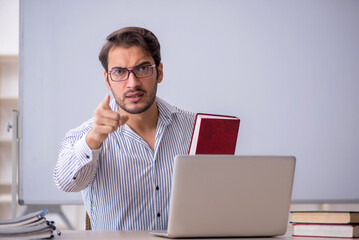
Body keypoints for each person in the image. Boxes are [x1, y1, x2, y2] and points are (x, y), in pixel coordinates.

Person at [53, 27, 195, 230]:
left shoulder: (194, 129)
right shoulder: (86, 136)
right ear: (107, 80)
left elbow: (218, 193)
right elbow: (67, 183)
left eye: (143, 68)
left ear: (159, 72)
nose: (132, 83)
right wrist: (93, 139)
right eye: (119, 72)